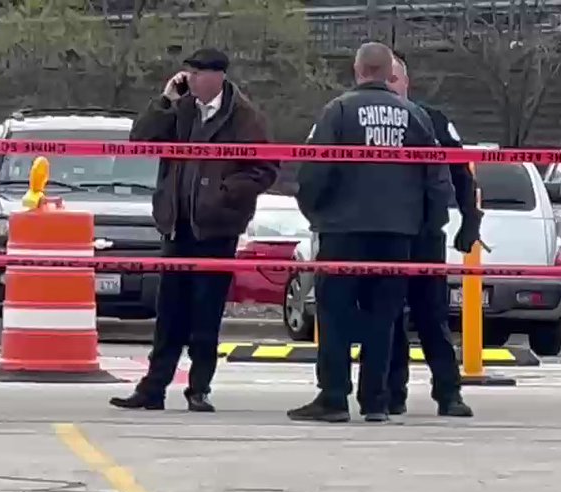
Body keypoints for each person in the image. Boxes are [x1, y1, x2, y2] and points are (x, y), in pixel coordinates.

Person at [288, 42, 454, 424]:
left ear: (358, 69)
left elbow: (314, 171)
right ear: (386, 72)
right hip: (397, 233)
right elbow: (437, 180)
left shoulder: (339, 111)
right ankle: (376, 400)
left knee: (334, 314)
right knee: (384, 317)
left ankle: (333, 397)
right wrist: (423, 227)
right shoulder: (415, 116)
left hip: (344, 230)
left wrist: (316, 213)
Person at [108, 48, 279, 413]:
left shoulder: (244, 117)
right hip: (177, 226)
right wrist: (165, 101)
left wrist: (223, 195)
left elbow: (264, 168)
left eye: (196, 73)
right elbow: (141, 141)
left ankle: (199, 388)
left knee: (206, 312)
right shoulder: (181, 108)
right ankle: (153, 388)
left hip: (216, 230)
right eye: (188, 73)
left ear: (215, 77)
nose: (189, 80)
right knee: (169, 312)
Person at [384, 49, 477, 418]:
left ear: (406, 82)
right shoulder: (360, 118)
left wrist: (471, 221)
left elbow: (462, 175)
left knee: (432, 317)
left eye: (394, 79)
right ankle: (393, 393)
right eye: (384, 78)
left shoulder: (433, 121)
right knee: (387, 317)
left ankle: (449, 393)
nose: (389, 87)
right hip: (385, 234)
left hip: (424, 234)